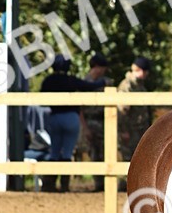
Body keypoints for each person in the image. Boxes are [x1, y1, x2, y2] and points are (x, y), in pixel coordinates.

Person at [41, 55, 104, 191]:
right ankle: (64, 186)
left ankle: (49, 185)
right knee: (67, 152)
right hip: (70, 117)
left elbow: (41, 100)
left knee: (54, 152)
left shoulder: (48, 81)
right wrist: (102, 82)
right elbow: (88, 86)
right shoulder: (70, 80)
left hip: (54, 117)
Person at [81, 52, 115, 192]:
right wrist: (85, 128)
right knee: (93, 153)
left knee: (107, 153)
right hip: (90, 121)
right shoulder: (84, 83)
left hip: (105, 121)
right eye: (101, 68)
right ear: (94, 67)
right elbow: (80, 109)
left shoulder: (107, 82)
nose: (103, 71)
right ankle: (98, 184)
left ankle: (107, 184)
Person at [118, 55, 154, 166]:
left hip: (139, 132)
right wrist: (123, 130)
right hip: (130, 132)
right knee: (128, 163)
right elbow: (122, 110)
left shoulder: (140, 86)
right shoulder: (127, 86)